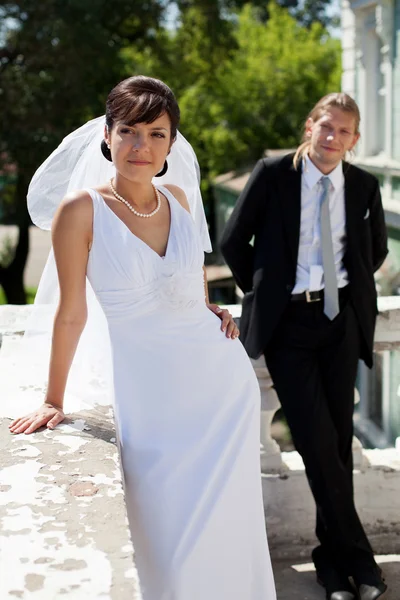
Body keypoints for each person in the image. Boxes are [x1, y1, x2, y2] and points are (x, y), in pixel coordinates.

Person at [9, 76, 276, 600]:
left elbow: (188, 276)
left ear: (172, 143)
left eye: (156, 134)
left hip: (221, 389)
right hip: (151, 401)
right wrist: (52, 399)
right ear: (106, 136)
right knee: (163, 543)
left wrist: (207, 308)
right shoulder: (80, 211)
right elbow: (71, 314)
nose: (141, 146)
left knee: (229, 531)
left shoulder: (177, 197)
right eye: (128, 131)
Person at [221, 93, 388, 600]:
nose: (333, 137)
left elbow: (375, 249)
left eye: (344, 131)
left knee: (336, 445)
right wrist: (269, 293)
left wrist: (346, 289)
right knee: (316, 443)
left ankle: (332, 566)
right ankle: (361, 561)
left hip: (341, 324)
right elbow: (233, 241)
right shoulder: (273, 174)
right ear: (309, 127)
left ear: (355, 140)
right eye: (326, 127)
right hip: (289, 326)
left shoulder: (362, 186)